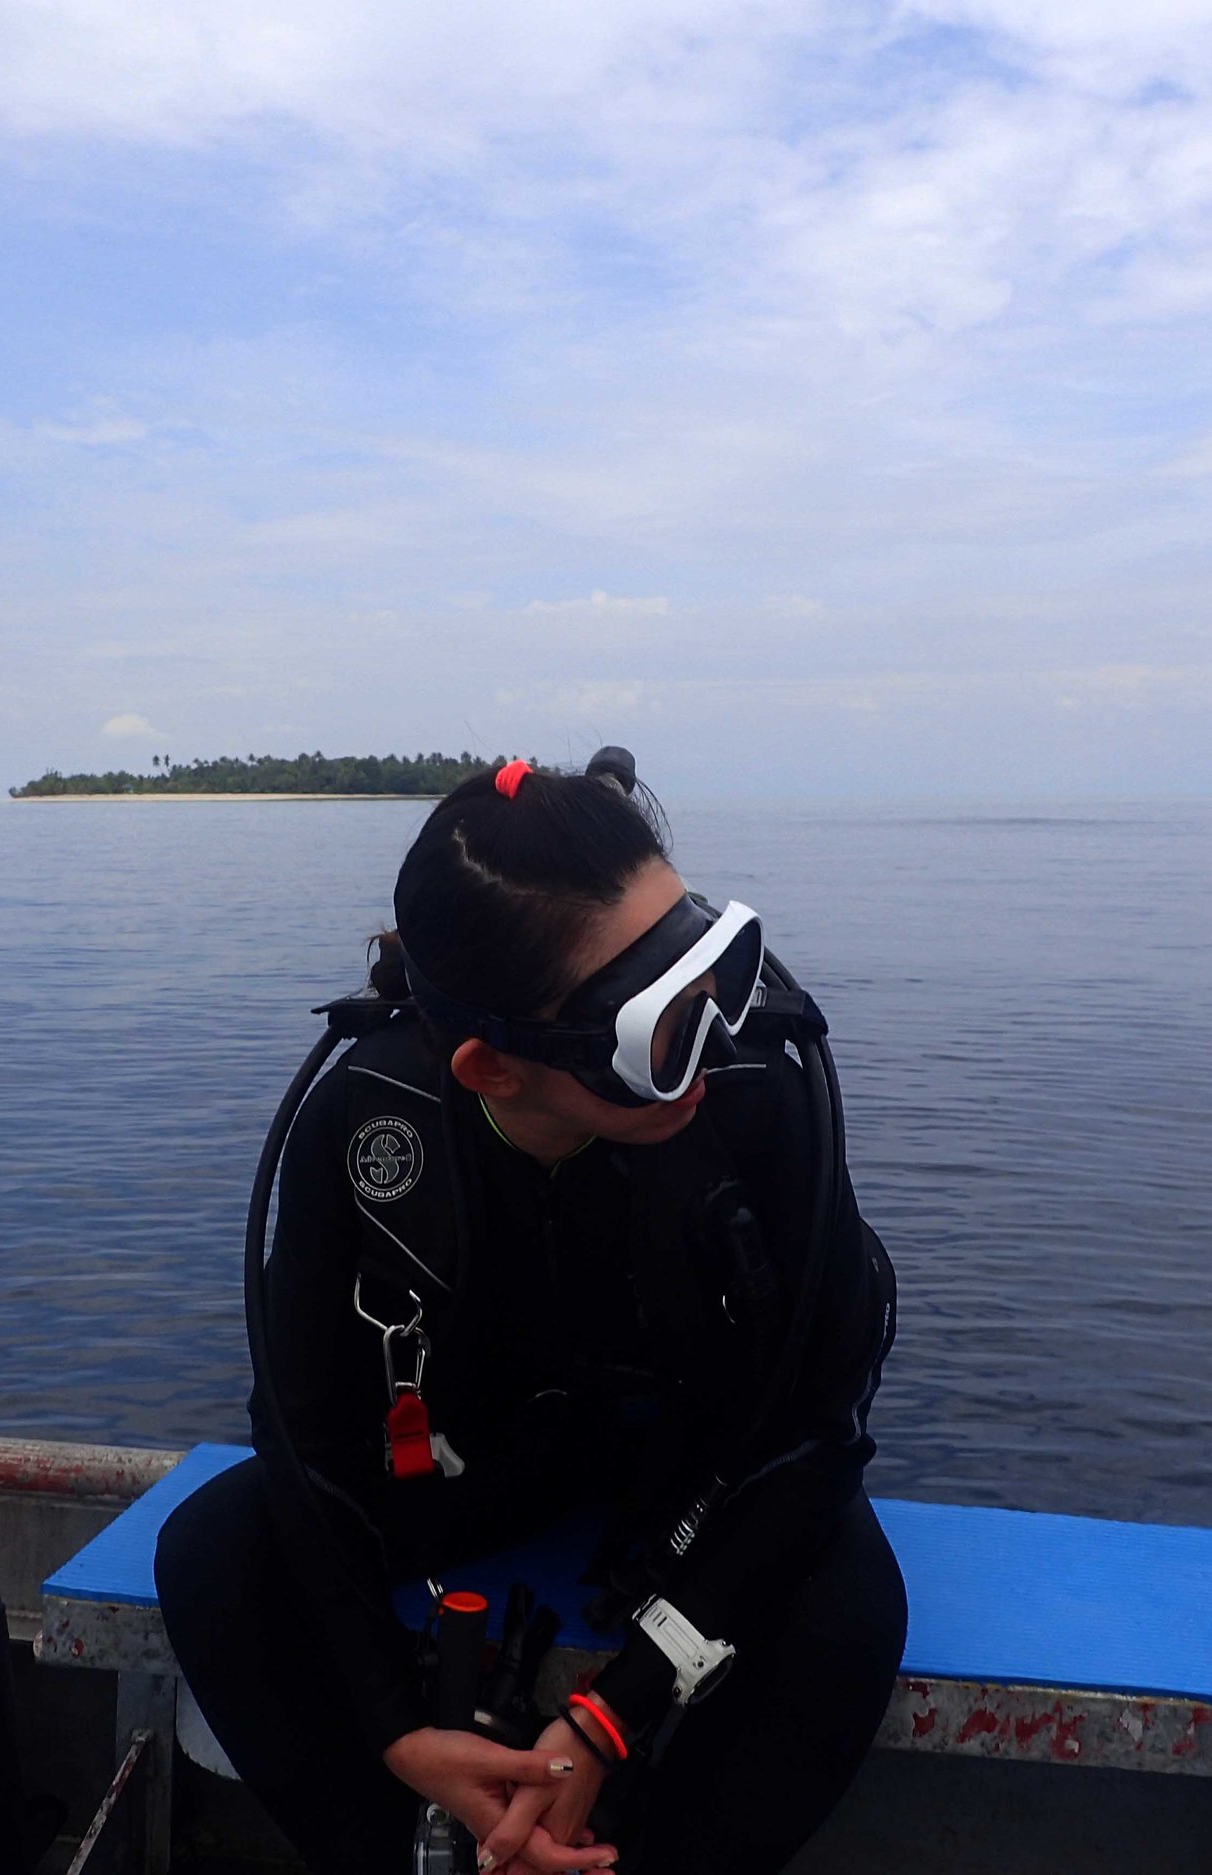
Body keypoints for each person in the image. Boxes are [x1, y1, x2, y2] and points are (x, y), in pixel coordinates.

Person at [155, 753, 903, 1875]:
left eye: (710, 962)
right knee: (214, 1550)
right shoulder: (367, 1124)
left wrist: (613, 1715)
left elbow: (818, 1435)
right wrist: (397, 1732)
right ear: (493, 1067)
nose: (712, 1035)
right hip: (469, 1469)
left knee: (846, 1602)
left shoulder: (763, 1091)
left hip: (691, 1488)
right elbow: (304, 1443)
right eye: (659, 1024)